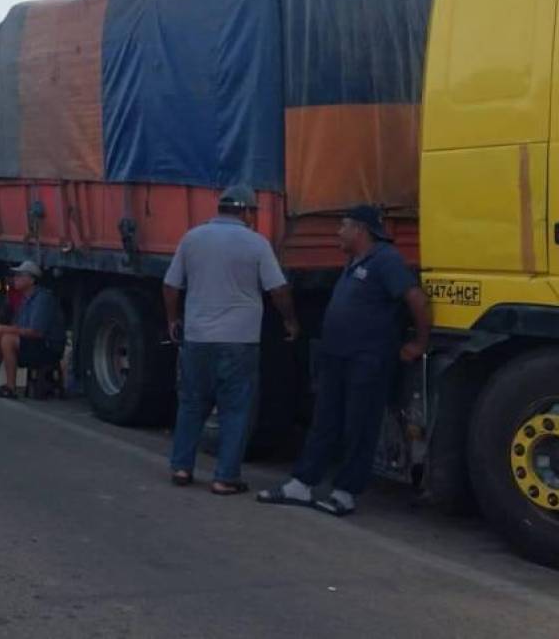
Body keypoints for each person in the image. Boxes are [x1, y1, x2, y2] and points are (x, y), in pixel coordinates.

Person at [258, 204, 430, 516]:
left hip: (367, 359)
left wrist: (419, 342)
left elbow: (415, 298)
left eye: (343, 226)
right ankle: (303, 483)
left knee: (360, 425)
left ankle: (346, 491)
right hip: (337, 357)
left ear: (360, 230)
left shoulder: (386, 260)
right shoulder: (354, 259)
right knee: (325, 421)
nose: (338, 232)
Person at [162, 185, 300, 496]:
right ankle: (225, 477)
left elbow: (170, 285)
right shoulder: (256, 244)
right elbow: (278, 289)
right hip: (240, 340)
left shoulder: (192, 238)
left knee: (191, 403)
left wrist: (173, 319)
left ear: (220, 208)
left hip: (197, 337)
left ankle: (182, 467)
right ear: (248, 212)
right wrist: (290, 321)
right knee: (236, 409)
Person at [0, 261, 65, 399]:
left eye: (20, 275)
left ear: (32, 280)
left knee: (7, 339)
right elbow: (19, 326)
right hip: (32, 342)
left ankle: (11, 387)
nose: (15, 278)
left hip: (47, 346)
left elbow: (36, 331)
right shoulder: (25, 299)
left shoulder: (42, 298)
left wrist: (4, 329)